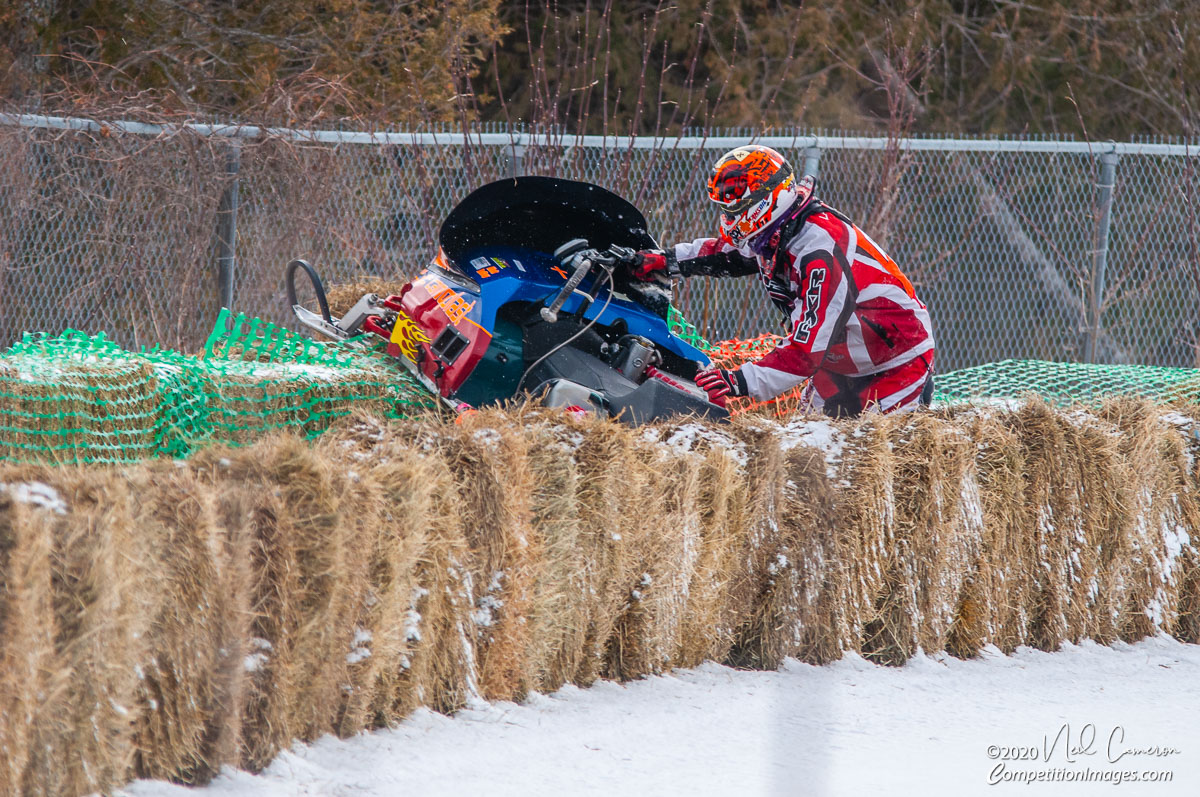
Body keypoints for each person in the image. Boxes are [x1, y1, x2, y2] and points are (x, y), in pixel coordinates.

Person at [631, 144, 934, 417]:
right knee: (805, 448)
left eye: (735, 206)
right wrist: (665, 260)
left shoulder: (820, 251)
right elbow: (728, 255)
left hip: (896, 362)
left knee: (872, 453)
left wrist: (738, 381)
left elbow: (806, 348)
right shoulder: (775, 232)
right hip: (838, 362)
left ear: (766, 199)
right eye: (725, 207)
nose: (729, 215)